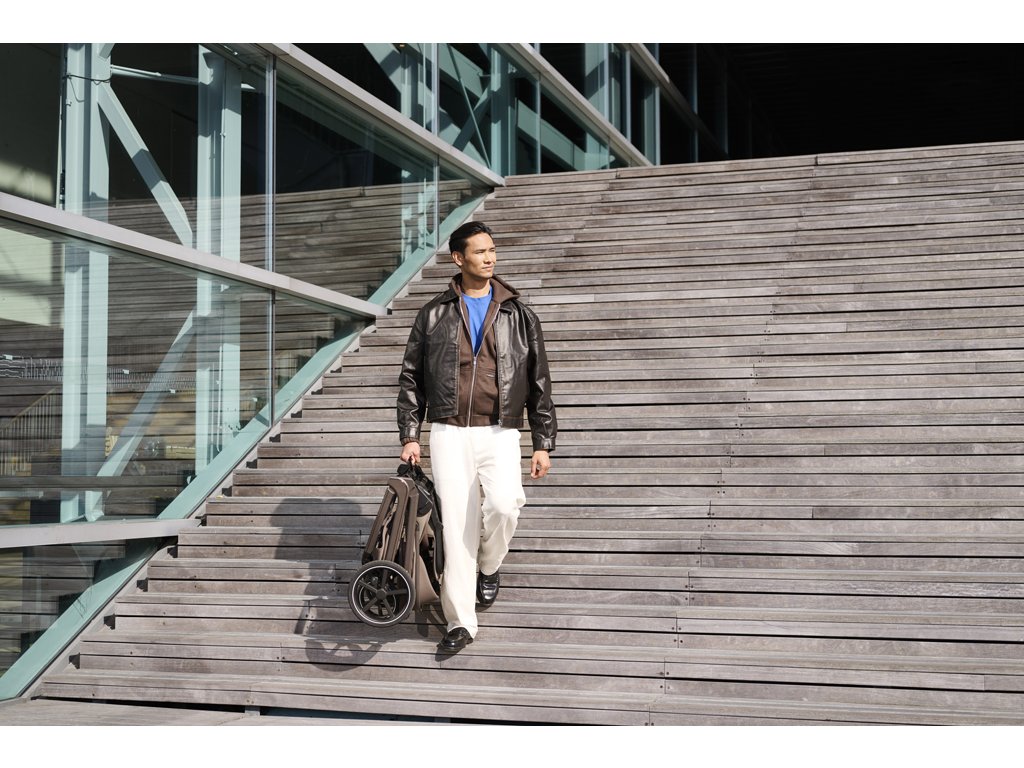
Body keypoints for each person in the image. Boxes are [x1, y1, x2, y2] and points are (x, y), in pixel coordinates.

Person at [397, 220, 557, 653]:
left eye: (492, 250)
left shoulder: (519, 315)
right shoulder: (433, 314)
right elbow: (411, 378)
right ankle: (461, 622)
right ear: (458, 258)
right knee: (458, 526)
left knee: (505, 505)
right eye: (480, 251)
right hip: (448, 431)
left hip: (500, 429)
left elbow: (539, 381)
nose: (490, 258)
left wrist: (542, 442)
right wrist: (410, 434)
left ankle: (489, 564)